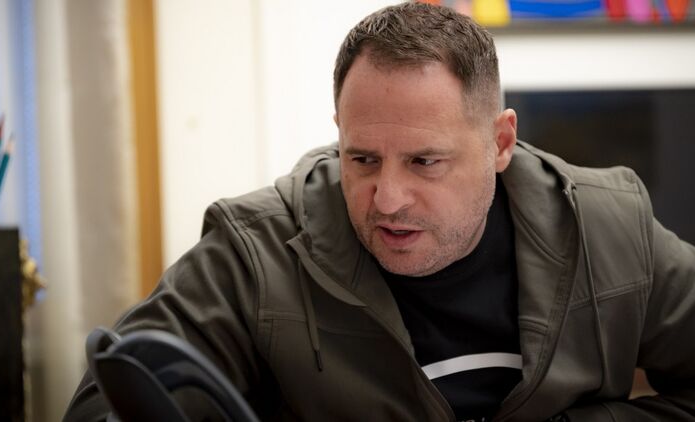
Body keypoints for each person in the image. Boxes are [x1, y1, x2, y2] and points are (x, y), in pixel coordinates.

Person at [65, 2, 695, 421]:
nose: (387, 199)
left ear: (500, 143)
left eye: (425, 162)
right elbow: (105, 402)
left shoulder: (609, 228)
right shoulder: (256, 251)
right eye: (362, 159)